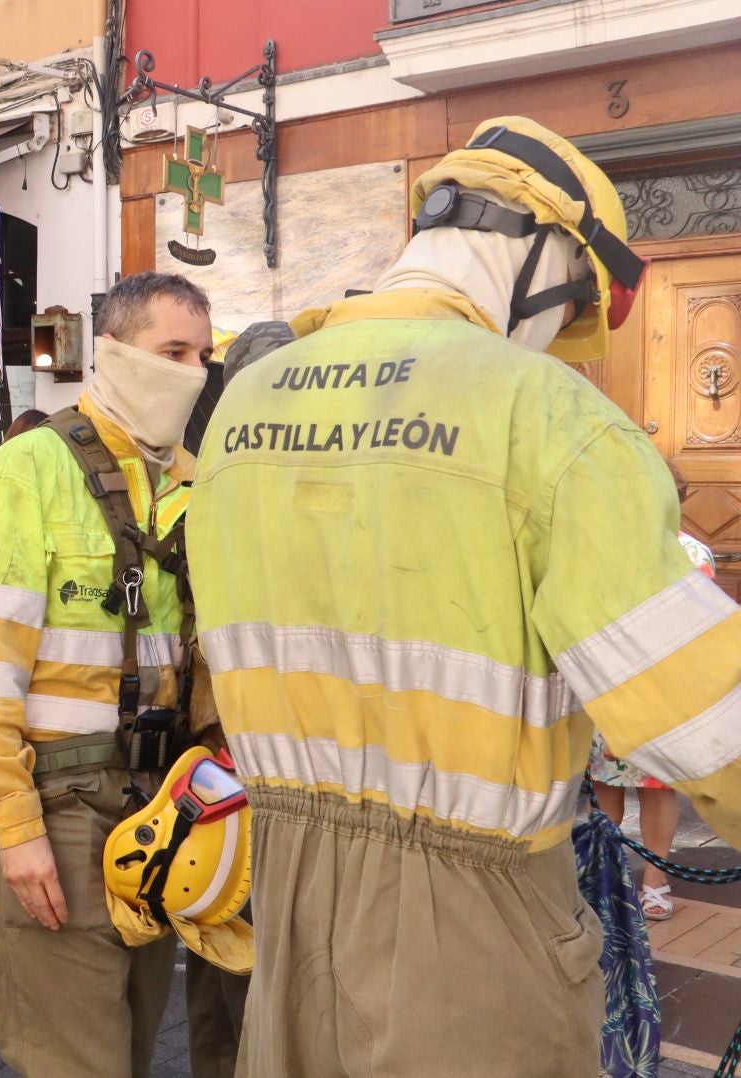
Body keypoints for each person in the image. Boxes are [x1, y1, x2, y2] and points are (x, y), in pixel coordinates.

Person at [188, 116, 735, 1076]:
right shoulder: (548, 414)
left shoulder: (246, 404)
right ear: (548, 257)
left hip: (285, 891)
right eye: (573, 312)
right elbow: (707, 721)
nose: (560, 342)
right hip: (474, 923)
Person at [0, 271, 216, 1077]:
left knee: (132, 1039)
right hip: (58, 808)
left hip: (161, 806)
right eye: (173, 351)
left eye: (203, 355)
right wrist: (18, 830)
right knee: (72, 1057)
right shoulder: (23, 474)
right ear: (114, 350)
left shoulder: (193, 480)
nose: (192, 372)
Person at [587, 461, 711, 923]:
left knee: (658, 788)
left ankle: (655, 882)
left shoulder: (690, 552)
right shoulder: (604, 549)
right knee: (605, 783)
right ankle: (606, 878)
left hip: (663, 690)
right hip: (608, 683)